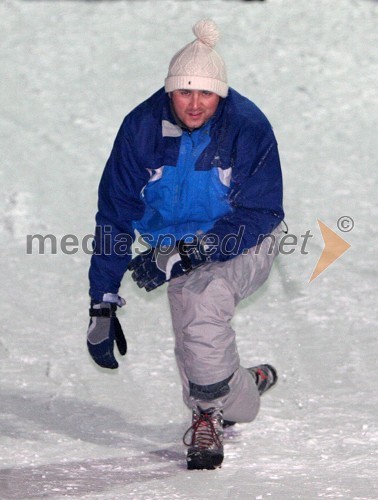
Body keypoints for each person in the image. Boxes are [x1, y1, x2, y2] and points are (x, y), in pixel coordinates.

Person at [86, 19, 284, 470]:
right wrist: (102, 301)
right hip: (171, 246)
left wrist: (186, 254)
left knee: (203, 298)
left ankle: (207, 418)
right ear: (169, 91)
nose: (195, 105)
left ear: (222, 94)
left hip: (244, 237)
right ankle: (241, 389)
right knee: (199, 336)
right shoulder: (141, 128)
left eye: (206, 94)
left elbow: (260, 212)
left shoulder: (247, 127)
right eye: (184, 93)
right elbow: (115, 214)